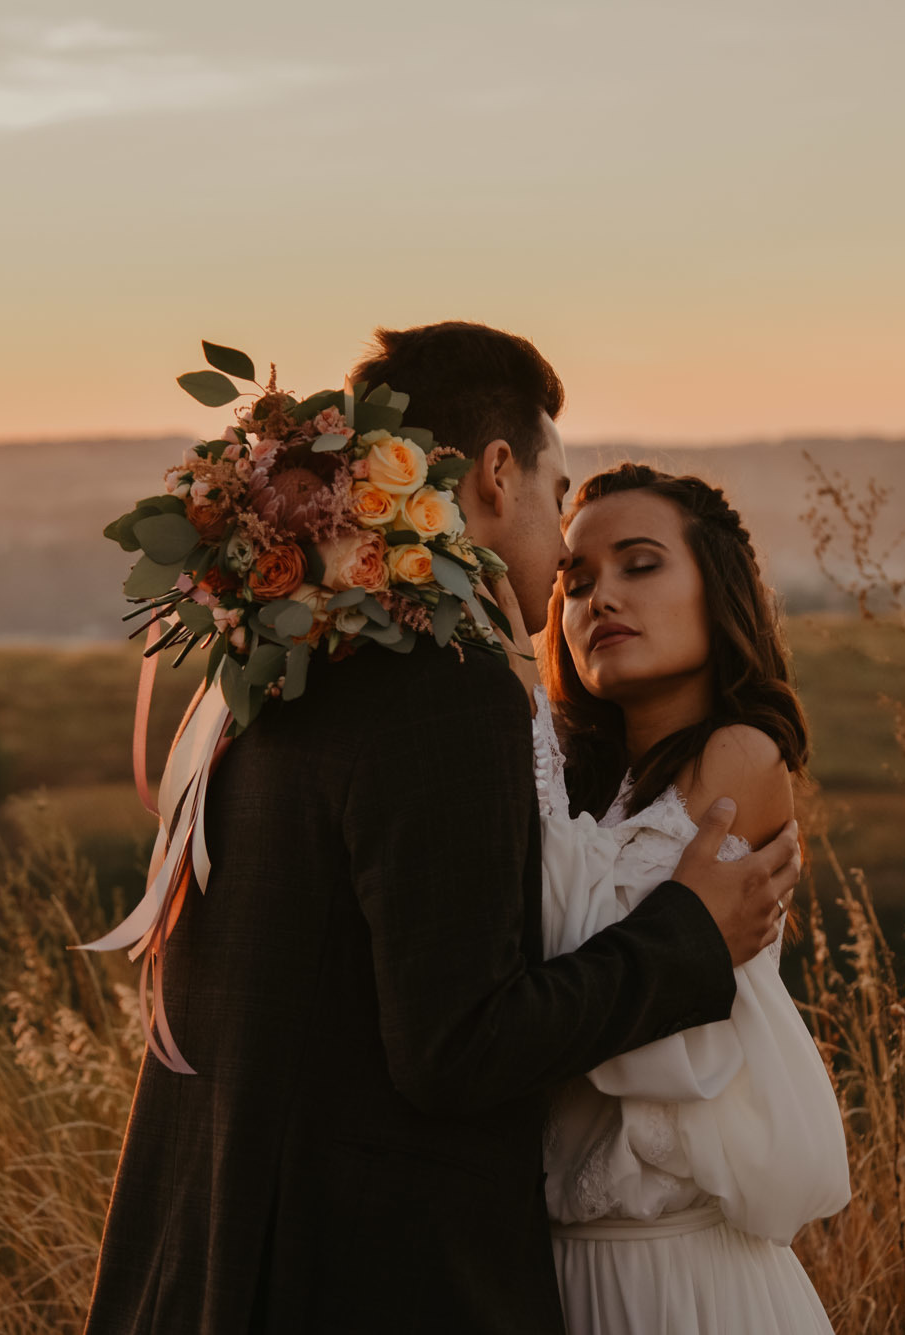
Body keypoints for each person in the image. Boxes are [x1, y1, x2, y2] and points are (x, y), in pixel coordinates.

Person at [83, 323, 803, 1333]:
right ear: (497, 474)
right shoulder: (442, 689)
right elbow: (457, 1044)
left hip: (204, 1253)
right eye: (559, 502)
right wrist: (693, 938)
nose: (562, 564)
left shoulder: (289, 663)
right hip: (348, 1281)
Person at [531, 463, 850, 1332]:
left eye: (640, 565)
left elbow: (580, 948)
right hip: (559, 1278)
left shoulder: (741, 756)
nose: (599, 600)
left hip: (685, 1280)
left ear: (718, 588)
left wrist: (507, 684)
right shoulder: (591, 792)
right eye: (575, 581)